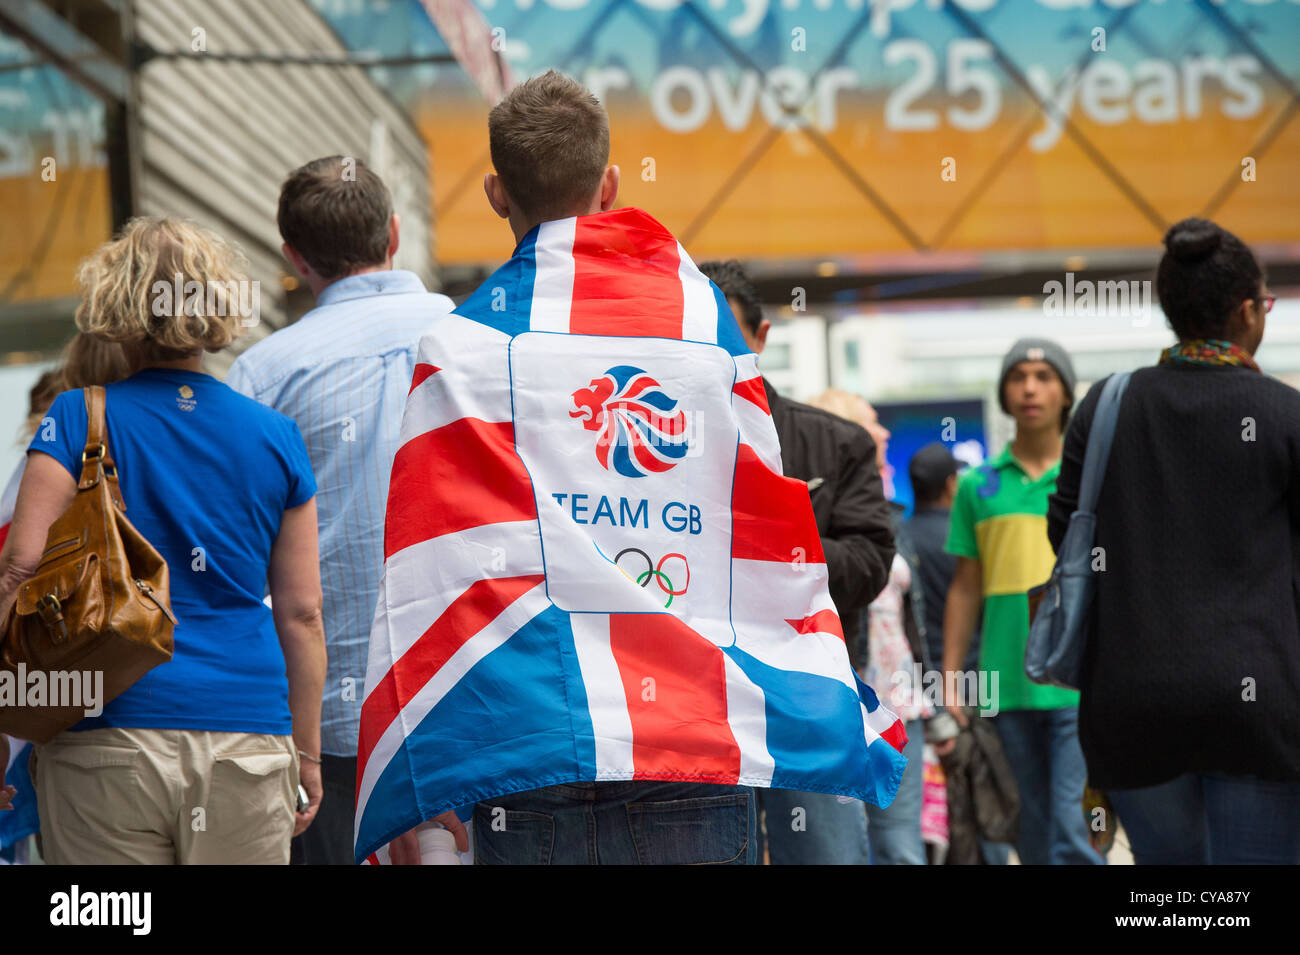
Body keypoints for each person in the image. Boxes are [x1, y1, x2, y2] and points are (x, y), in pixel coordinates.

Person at [0, 217, 326, 864]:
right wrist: (308, 753)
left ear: (116, 302)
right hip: (248, 733)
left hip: (106, 732)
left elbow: (19, 568)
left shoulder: (76, 416)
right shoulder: (276, 436)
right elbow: (301, 612)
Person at [1048, 218, 1300, 864]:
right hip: (1259, 706)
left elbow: (1066, 531)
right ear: (1247, 312)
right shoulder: (1284, 414)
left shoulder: (1105, 407)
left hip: (1133, 706)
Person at [226, 156, 454, 865]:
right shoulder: (479, 336)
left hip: (326, 716)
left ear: (294, 258)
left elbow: (241, 552)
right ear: (394, 233)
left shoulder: (263, 373)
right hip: (465, 690)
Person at [700, 269, 896, 865]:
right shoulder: (653, 447)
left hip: (812, 700)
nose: (711, 349)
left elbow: (869, 564)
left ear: (760, 336)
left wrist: (777, 546)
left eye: (726, 333)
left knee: (825, 855)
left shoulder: (836, 444)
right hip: (696, 702)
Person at [941, 338, 1100, 865]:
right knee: (1027, 831)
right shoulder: (977, 485)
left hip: (1078, 684)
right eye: (1019, 376)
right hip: (1003, 685)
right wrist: (950, 677)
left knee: (1074, 829)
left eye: (1044, 375)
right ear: (1005, 395)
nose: (1030, 387)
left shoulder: (1088, 482)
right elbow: (965, 588)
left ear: (1065, 393)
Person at [907, 441, 1011, 865]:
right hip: (977, 682)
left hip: (916, 686)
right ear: (952, 484)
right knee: (988, 796)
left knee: (935, 809)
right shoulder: (966, 543)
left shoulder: (899, 538)